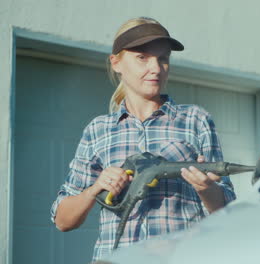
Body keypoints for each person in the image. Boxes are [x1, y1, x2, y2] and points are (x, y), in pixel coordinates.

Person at [50, 17, 236, 262]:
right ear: (116, 63)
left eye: (163, 58)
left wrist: (207, 188)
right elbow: (63, 221)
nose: (156, 68)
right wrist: (96, 188)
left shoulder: (195, 120)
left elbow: (228, 214)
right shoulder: (98, 130)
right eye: (142, 58)